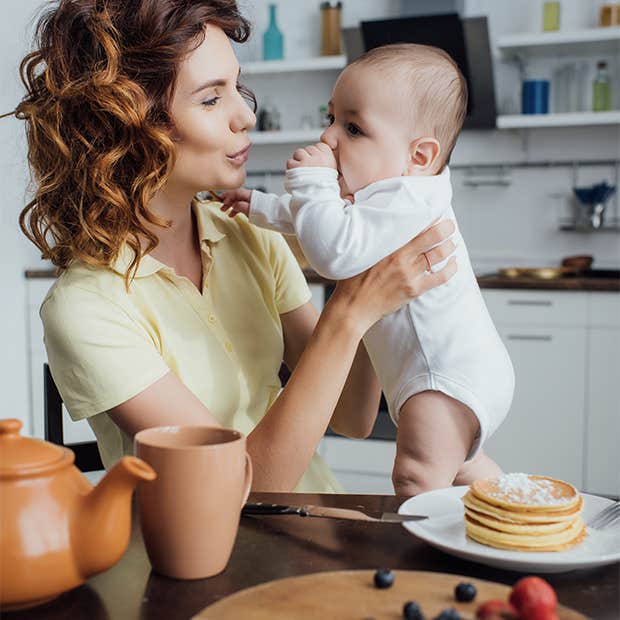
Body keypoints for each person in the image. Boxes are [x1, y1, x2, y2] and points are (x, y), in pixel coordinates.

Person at [8, 1, 457, 492]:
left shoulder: (248, 233)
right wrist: (351, 309)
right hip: (203, 560)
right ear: (125, 126)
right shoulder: (86, 308)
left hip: (319, 527)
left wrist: (365, 252)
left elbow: (352, 415)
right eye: (210, 99)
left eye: (238, 88)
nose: (245, 115)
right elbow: (239, 486)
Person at [221, 43, 515, 496]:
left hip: (443, 378)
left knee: (416, 477)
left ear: (420, 156)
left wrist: (311, 180)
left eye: (354, 128)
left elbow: (333, 251)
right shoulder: (393, 191)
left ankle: (427, 556)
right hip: (461, 373)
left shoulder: (409, 198)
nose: (329, 138)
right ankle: (519, 504)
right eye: (331, 118)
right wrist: (262, 208)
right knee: (461, 469)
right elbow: (331, 222)